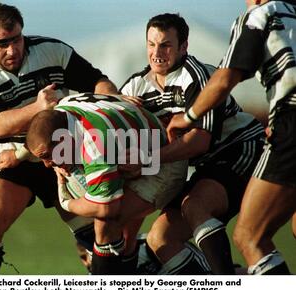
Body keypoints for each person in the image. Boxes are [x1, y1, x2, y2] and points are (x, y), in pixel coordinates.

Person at [0, 1, 118, 275]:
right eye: (2, 44)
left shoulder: (52, 51)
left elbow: (97, 81)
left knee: (100, 233)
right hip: (15, 162)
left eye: (17, 39)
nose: (13, 50)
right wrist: (38, 107)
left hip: (65, 156)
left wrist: (112, 104)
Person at [120, 13, 265, 274]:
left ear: (184, 47)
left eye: (165, 45)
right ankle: (237, 277)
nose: (156, 53)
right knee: (160, 239)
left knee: (196, 206)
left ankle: (226, 286)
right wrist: (119, 108)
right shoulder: (135, 87)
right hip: (205, 166)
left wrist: (146, 159)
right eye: (151, 44)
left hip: (241, 149)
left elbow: (199, 142)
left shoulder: (198, 77)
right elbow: (111, 127)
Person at [167, 1, 296, 274]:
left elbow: (225, 79)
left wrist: (188, 117)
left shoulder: (261, 15)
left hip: (291, 124)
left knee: (250, 236)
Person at [25, 92, 188, 274]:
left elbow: (106, 209)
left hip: (163, 164)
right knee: (121, 237)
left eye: (47, 156)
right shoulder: (62, 109)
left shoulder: (95, 143)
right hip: (138, 151)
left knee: (107, 223)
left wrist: (66, 202)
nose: (47, 165)